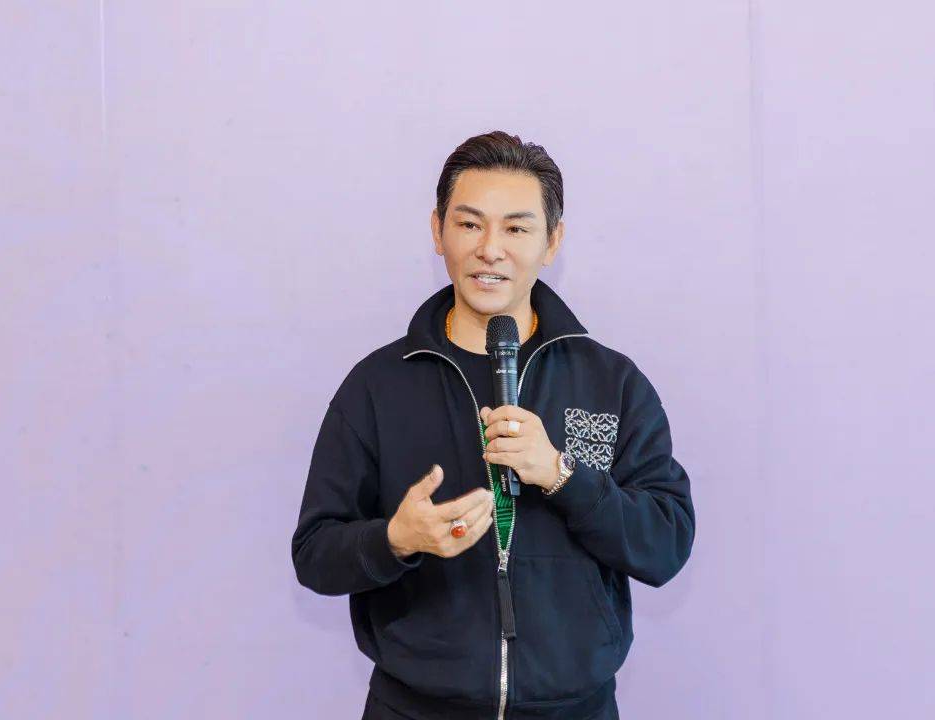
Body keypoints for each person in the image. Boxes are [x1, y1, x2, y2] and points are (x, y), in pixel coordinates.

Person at [292, 131, 696, 719]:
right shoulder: (378, 385)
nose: (490, 250)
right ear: (438, 232)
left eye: (516, 229)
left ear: (552, 241)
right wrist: (397, 539)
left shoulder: (611, 382)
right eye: (469, 224)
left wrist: (561, 475)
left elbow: (665, 545)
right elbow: (314, 554)